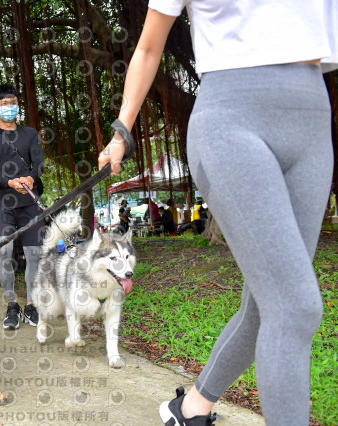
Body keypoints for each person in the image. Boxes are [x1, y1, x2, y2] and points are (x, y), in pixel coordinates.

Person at [98, 1, 336, 424]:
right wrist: (121, 129)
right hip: (231, 119)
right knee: (296, 306)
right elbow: (150, 47)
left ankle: (189, 409)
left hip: (313, 118)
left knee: (269, 305)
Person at [0, 83, 45, 330]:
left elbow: (38, 164)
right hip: (1, 202)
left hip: (29, 201)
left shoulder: (30, 134)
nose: (9, 108)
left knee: (34, 255)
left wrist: (30, 178)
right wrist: (10, 181)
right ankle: (11, 304)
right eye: (4, 104)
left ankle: (31, 305)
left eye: (13, 103)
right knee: (4, 253)